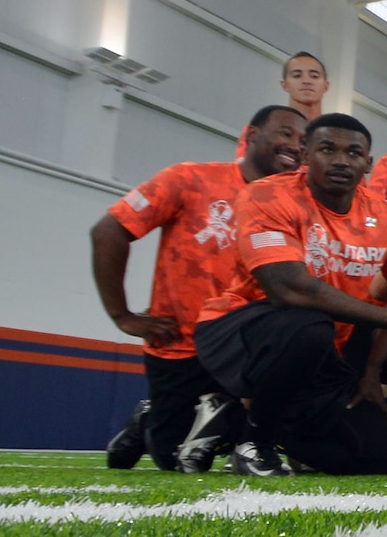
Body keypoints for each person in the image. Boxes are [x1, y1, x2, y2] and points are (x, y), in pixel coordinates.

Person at [193, 114, 387, 476]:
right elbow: (287, 288)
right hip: (239, 332)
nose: (340, 160)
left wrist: (370, 369)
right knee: (309, 324)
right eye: (326, 149)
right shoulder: (267, 194)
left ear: (367, 163)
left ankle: (230, 420)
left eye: (354, 153)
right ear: (305, 153)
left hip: (320, 352)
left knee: (375, 458)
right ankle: (253, 442)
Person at [94, 104, 304, 472]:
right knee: (178, 461)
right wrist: (122, 315)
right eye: (286, 133)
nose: (295, 146)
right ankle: (149, 418)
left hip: (245, 349)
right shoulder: (189, 179)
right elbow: (108, 230)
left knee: (288, 428)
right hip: (181, 345)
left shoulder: (298, 204)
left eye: (303, 141)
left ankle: (221, 420)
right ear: (252, 136)